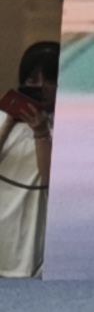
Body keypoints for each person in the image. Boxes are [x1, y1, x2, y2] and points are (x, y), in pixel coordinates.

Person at [0, 38, 49, 277]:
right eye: (32, 80)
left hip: (32, 242)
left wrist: (41, 133)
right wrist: (10, 121)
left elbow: (50, 179)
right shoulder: (2, 119)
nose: (42, 87)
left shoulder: (65, 127)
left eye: (50, 80)